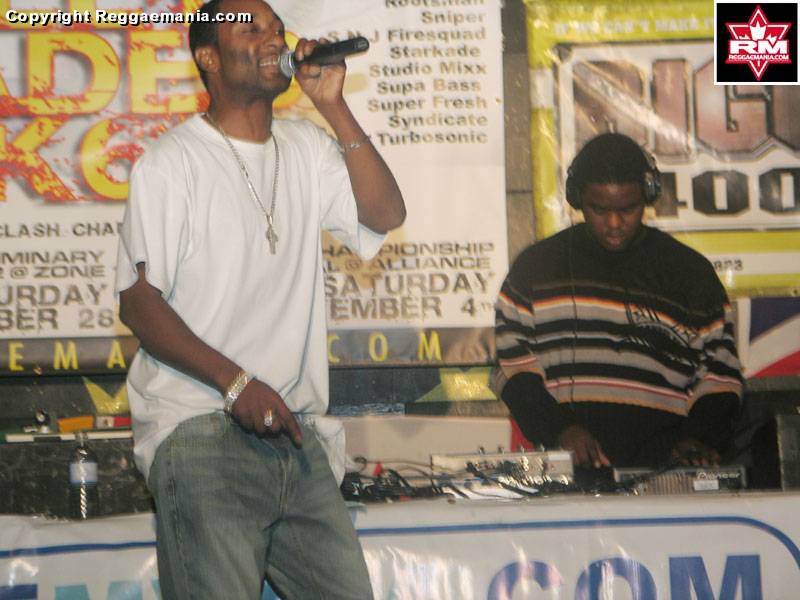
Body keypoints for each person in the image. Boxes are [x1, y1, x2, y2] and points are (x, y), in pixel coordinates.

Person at [115, 0, 405, 597]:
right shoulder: (172, 163)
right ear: (208, 57)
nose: (273, 38)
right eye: (250, 28)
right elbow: (139, 304)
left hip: (296, 435)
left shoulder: (307, 148)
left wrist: (333, 105)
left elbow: (385, 214)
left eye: (277, 28)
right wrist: (237, 384)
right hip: (201, 430)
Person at [492, 133, 742, 470]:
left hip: (665, 476)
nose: (614, 223)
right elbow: (512, 368)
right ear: (577, 198)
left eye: (627, 209)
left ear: (648, 195)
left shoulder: (691, 274)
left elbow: (721, 377)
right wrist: (560, 429)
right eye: (599, 209)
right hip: (570, 474)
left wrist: (697, 439)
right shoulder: (535, 268)